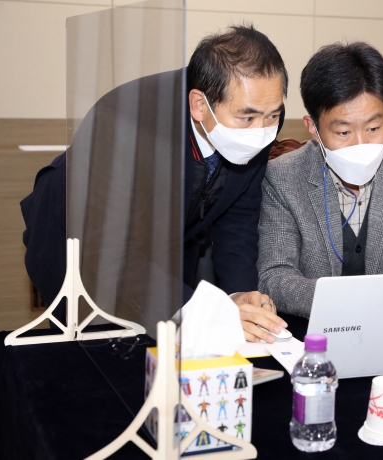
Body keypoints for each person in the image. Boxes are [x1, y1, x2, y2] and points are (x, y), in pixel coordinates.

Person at [20, 25, 287, 342]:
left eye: (273, 116)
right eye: (248, 118)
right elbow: (111, 250)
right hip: (82, 244)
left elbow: (238, 214)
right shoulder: (122, 122)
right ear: (199, 105)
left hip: (171, 241)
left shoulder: (259, 112)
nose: (261, 131)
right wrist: (196, 310)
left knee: (166, 340)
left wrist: (238, 293)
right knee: (101, 347)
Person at [257, 42, 383, 317]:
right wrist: (347, 302)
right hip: (315, 329)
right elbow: (275, 276)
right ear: (313, 127)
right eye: (343, 132)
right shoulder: (283, 177)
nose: (361, 144)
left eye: (374, 128)